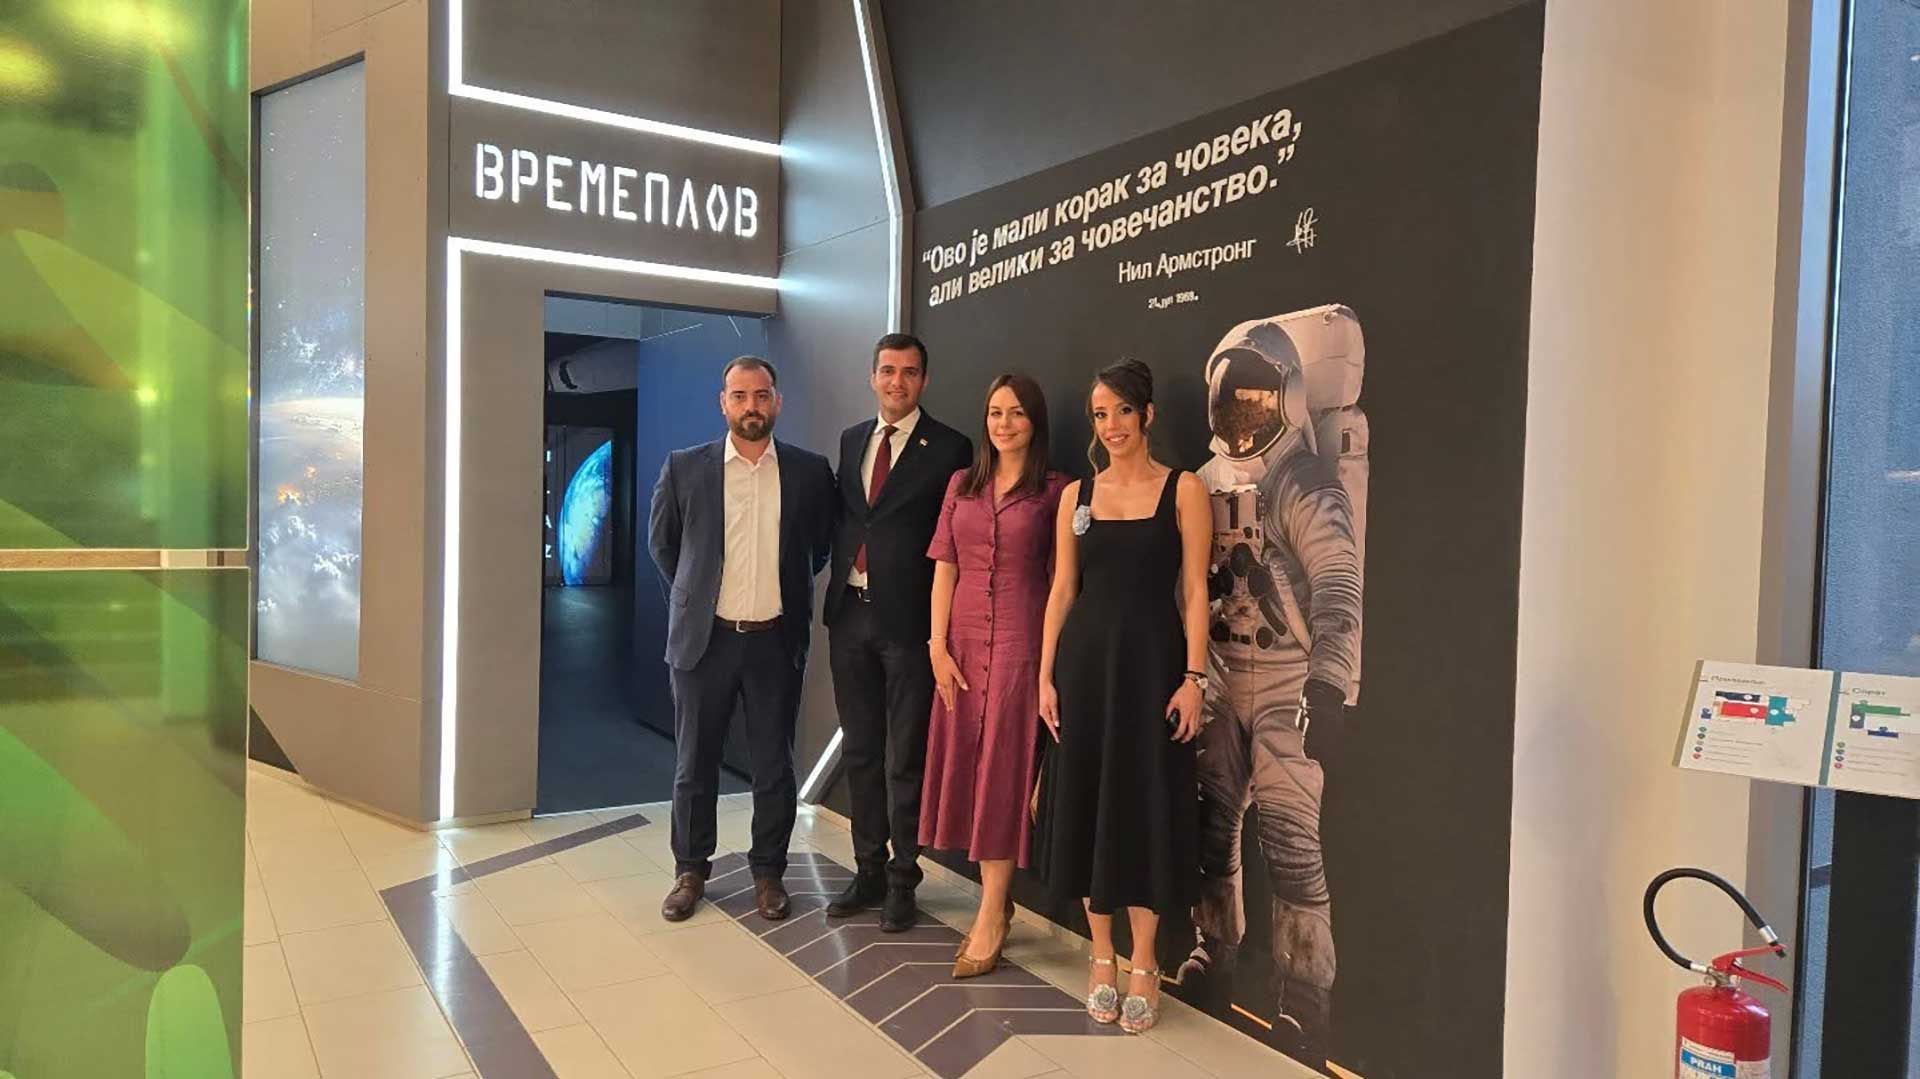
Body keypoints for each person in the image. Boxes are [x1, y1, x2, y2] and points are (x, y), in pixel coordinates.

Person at [1179, 317, 1363, 1075]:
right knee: (1211, 823)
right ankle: (1213, 952)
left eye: (1257, 400)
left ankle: (1304, 1000)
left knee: (1289, 839)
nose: (1243, 415)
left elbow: (1338, 585)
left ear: (1286, 398)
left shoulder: (1303, 481)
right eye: (1233, 400)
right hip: (1223, 673)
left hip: (1289, 679)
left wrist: (1329, 682)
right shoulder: (1201, 480)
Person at [1038, 358, 1211, 1035]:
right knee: (1088, 803)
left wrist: (1194, 678)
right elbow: (1062, 591)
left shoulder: (1184, 489)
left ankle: (1145, 959)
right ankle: (1101, 955)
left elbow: (1194, 590)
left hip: (1152, 669)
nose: (1111, 425)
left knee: (1145, 806)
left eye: (1123, 411)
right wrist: (1045, 677)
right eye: (1100, 413)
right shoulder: (1075, 496)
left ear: (1148, 415)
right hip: (1084, 670)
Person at [648, 356, 835, 924]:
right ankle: (690, 871)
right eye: (739, 396)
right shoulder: (686, 467)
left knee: (774, 764)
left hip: (775, 642)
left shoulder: (808, 471)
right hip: (704, 642)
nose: (751, 406)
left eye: (761, 395)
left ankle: (768, 873)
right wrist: (697, 598)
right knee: (694, 763)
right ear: (723, 402)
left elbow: (818, 550)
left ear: (777, 401)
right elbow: (664, 546)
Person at [920, 374, 1069, 978]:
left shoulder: (1057, 491)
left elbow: (1062, 584)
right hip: (959, 649)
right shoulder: (962, 484)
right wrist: (936, 646)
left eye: (1016, 413)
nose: (1004, 424)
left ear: (1035, 421)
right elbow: (945, 567)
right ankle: (993, 903)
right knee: (968, 774)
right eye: (995, 412)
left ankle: (990, 913)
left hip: (1019, 648)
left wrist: (1051, 666)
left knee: (1004, 777)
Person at [823, 333, 974, 931]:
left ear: (924, 381)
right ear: (873, 377)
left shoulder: (951, 448)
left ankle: (903, 879)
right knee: (860, 750)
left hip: (910, 623)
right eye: (888, 371)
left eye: (909, 372)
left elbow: (951, 543)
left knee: (905, 758)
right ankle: (867, 869)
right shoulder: (852, 439)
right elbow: (849, 519)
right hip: (849, 615)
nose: (897, 382)